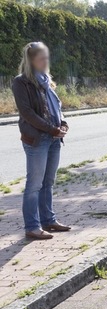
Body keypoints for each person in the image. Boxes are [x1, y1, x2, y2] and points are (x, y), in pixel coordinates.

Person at [11, 42, 71, 240]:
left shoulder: (46, 81)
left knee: (48, 182)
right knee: (34, 184)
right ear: (31, 60)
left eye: (47, 57)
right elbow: (27, 112)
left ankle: (49, 220)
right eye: (41, 58)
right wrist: (51, 128)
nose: (46, 61)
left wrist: (62, 123)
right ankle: (32, 226)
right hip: (37, 139)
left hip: (53, 137)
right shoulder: (21, 82)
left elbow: (56, 109)